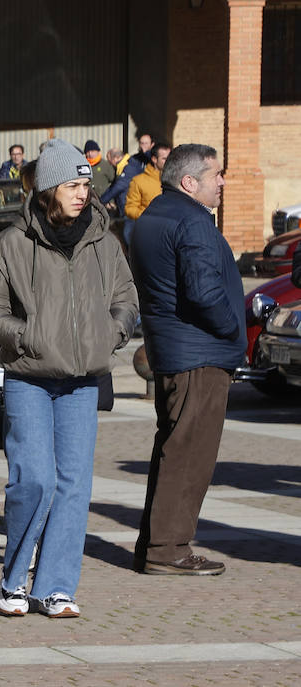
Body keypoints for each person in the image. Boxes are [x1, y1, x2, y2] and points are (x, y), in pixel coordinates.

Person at [0, 138, 138, 618]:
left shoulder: (104, 242)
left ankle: (56, 586)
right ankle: (13, 580)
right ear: (48, 189)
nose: (83, 192)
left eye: (86, 183)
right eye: (72, 184)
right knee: (34, 481)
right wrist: (25, 337)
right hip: (29, 376)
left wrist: (110, 334)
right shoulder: (12, 243)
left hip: (83, 380)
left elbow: (126, 300)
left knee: (74, 484)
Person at [129, 143, 242, 576]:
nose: (222, 182)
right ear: (189, 182)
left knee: (173, 450)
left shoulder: (154, 217)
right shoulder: (192, 221)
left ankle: (156, 544)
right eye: (216, 175)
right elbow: (203, 292)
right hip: (200, 354)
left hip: (177, 351)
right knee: (189, 455)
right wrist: (233, 327)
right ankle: (168, 550)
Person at [101, 133, 155, 211]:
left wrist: (101, 201)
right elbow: (117, 185)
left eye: (146, 143)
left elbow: (119, 186)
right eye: (141, 143)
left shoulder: (154, 160)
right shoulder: (134, 160)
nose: (143, 146)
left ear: (152, 144)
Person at [125, 142, 170, 221]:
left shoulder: (176, 180)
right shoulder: (138, 181)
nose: (168, 161)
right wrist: (148, 217)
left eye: (170, 158)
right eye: (164, 158)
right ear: (154, 159)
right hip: (149, 227)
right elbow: (130, 209)